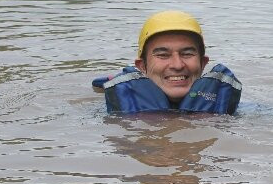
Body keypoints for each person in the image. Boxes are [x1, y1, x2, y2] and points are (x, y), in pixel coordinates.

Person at [92, 10, 241, 115]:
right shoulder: (111, 114)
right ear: (142, 66)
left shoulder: (231, 112)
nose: (177, 65)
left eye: (187, 54)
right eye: (163, 55)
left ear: (202, 63)